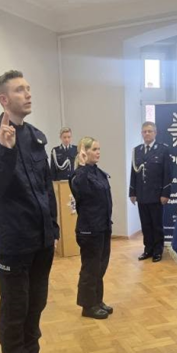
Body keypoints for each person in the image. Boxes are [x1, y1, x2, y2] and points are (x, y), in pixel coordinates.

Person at [0, 70, 60, 353]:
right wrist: (6, 151)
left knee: (36, 302)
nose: (28, 93)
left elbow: (47, 187)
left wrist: (53, 227)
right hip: (14, 240)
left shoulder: (37, 136)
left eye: (28, 88)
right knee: (15, 306)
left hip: (41, 238)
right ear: (4, 99)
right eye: (20, 90)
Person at [69, 137, 113, 320]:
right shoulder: (79, 175)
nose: (98, 152)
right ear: (84, 152)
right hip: (89, 230)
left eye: (98, 149)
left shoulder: (98, 172)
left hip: (102, 227)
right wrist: (82, 165)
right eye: (94, 149)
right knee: (90, 268)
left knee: (100, 267)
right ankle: (87, 306)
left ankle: (97, 300)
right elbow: (81, 191)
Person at [129, 121, 172, 263]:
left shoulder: (163, 150)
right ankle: (148, 249)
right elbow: (133, 173)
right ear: (141, 133)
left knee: (156, 225)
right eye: (144, 131)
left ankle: (158, 250)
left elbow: (167, 173)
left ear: (155, 133)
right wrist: (132, 192)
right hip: (142, 194)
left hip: (156, 195)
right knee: (145, 225)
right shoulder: (137, 151)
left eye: (149, 131)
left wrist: (165, 194)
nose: (147, 134)